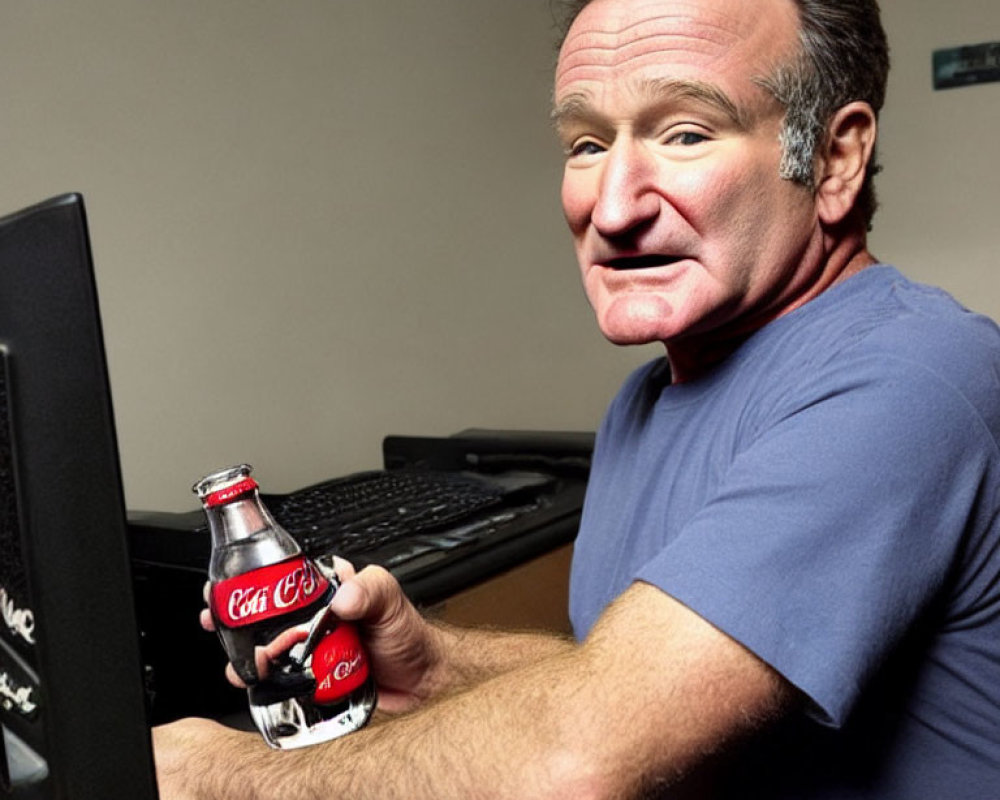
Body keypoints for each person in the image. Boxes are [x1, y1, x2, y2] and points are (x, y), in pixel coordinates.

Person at [154, 0, 1000, 796]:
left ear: (833, 157)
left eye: (685, 132)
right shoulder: (647, 398)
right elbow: (639, 682)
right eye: (587, 144)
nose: (614, 205)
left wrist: (220, 776)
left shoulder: (912, 376)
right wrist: (441, 662)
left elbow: (578, 762)